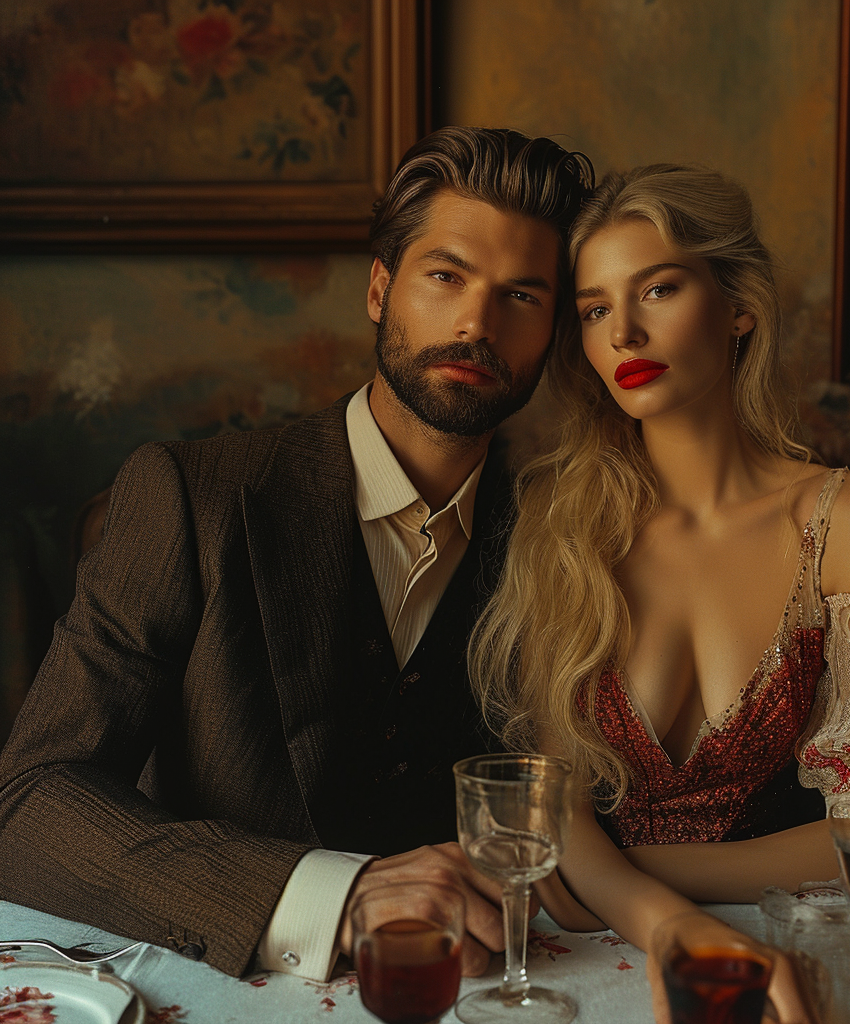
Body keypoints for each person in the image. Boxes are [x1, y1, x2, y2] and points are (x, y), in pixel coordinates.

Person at [0, 126, 594, 982]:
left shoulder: (562, 537)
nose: (477, 322)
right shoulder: (190, 495)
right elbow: (30, 800)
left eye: (523, 296)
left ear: (553, 333)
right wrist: (336, 895)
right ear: (380, 289)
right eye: (446, 276)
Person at [469, 165, 850, 1023]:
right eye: (594, 310)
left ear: (738, 305)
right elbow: (552, 801)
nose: (624, 333)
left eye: (658, 289)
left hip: (798, 944)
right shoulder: (560, 525)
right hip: (607, 955)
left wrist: (619, 873)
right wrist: (663, 919)